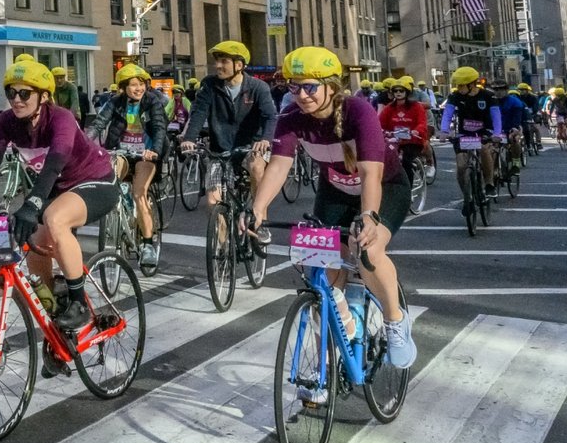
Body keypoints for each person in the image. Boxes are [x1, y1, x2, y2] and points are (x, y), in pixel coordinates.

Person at [246, 46, 418, 381]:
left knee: (367, 251)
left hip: (386, 186)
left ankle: (396, 322)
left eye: (310, 87)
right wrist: (257, 208)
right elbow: (278, 168)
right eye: (294, 87)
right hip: (335, 191)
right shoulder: (290, 118)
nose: (302, 95)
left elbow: (370, 174)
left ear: (331, 86)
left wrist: (369, 216)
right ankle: (326, 362)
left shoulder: (358, 112)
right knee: (319, 272)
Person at [0, 59, 117, 346]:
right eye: (12, 93)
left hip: (94, 181)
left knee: (54, 219)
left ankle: (79, 304)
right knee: (34, 245)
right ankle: (59, 333)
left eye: (25, 93)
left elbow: (54, 163)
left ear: (43, 96)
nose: (16, 100)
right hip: (56, 190)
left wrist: (32, 204)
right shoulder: (7, 121)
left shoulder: (60, 118)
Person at [180, 40, 278, 239]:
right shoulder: (209, 84)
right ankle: (222, 249)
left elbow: (270, 116)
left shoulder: (258, 87)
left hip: (251, 148)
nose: (218, 66)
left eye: (224, 61)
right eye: (217, 61)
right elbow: (199, 112)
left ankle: (260, 222)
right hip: (220, 150)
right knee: (212, 202)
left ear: (239, 65)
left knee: (257, 167)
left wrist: (266, 139)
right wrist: (189, 138)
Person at [87, 64, 169, 269]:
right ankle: (117, 216)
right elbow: (98, 124)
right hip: (121, 151)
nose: (138, 88)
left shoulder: (152, 102)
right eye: (133, 85)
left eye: (141, 84)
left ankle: (148, 244)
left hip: (146, 155)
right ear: (123, 88)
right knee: (108, 180)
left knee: (139, 193)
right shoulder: (115, 102)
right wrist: (86, 144)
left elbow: (159, 128)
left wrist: (155, 150)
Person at [439, 66, 501, 215]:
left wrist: (497, 133)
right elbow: (447, 114)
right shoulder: (455, 96)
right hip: (464, 133)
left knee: (484, 150)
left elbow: (496, 116)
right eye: (457, 85)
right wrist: (444, 131)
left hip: (485, 132)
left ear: (472, 84)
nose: (458, 88)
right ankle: (467, 197)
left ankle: (489, 184)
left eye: (461, 85)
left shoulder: (488, 96)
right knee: (461, 166)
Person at [378, 77, 429, 189]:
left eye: (401, 91)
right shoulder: (388, 108)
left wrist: (416, 130)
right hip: (394, 141)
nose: (398, 93)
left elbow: (422, 123)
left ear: (407, 92)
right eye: (395, 91)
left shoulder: (417, 107)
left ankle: (408, 190)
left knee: (406, 162)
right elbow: (380, 123)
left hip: (413, 141)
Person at [490, 79, 527, 170]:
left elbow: (517, 117)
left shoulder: (515, 102)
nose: (498, 92)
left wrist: (515, 128)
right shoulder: (490, 101)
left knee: (514, 139)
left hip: (511, 126)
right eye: (495, 90)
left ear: (506, 90)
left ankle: (516, 162)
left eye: (501, 89)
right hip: (495, 129)